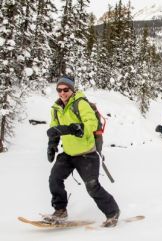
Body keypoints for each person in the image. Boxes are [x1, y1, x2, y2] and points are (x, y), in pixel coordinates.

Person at [46, 76, 120, 227]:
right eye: (59, 90)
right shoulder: (56, 109)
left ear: (72, 90)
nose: (62, 93)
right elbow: (54, 128)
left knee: (92, 186)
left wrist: (73, 128)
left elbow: (91, 123)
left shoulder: (80, 103)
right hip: (68, 153)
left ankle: (112, 212)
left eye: (66, 89)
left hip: (86, 153)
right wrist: (52, 144)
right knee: (54, 179)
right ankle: (60, 210)